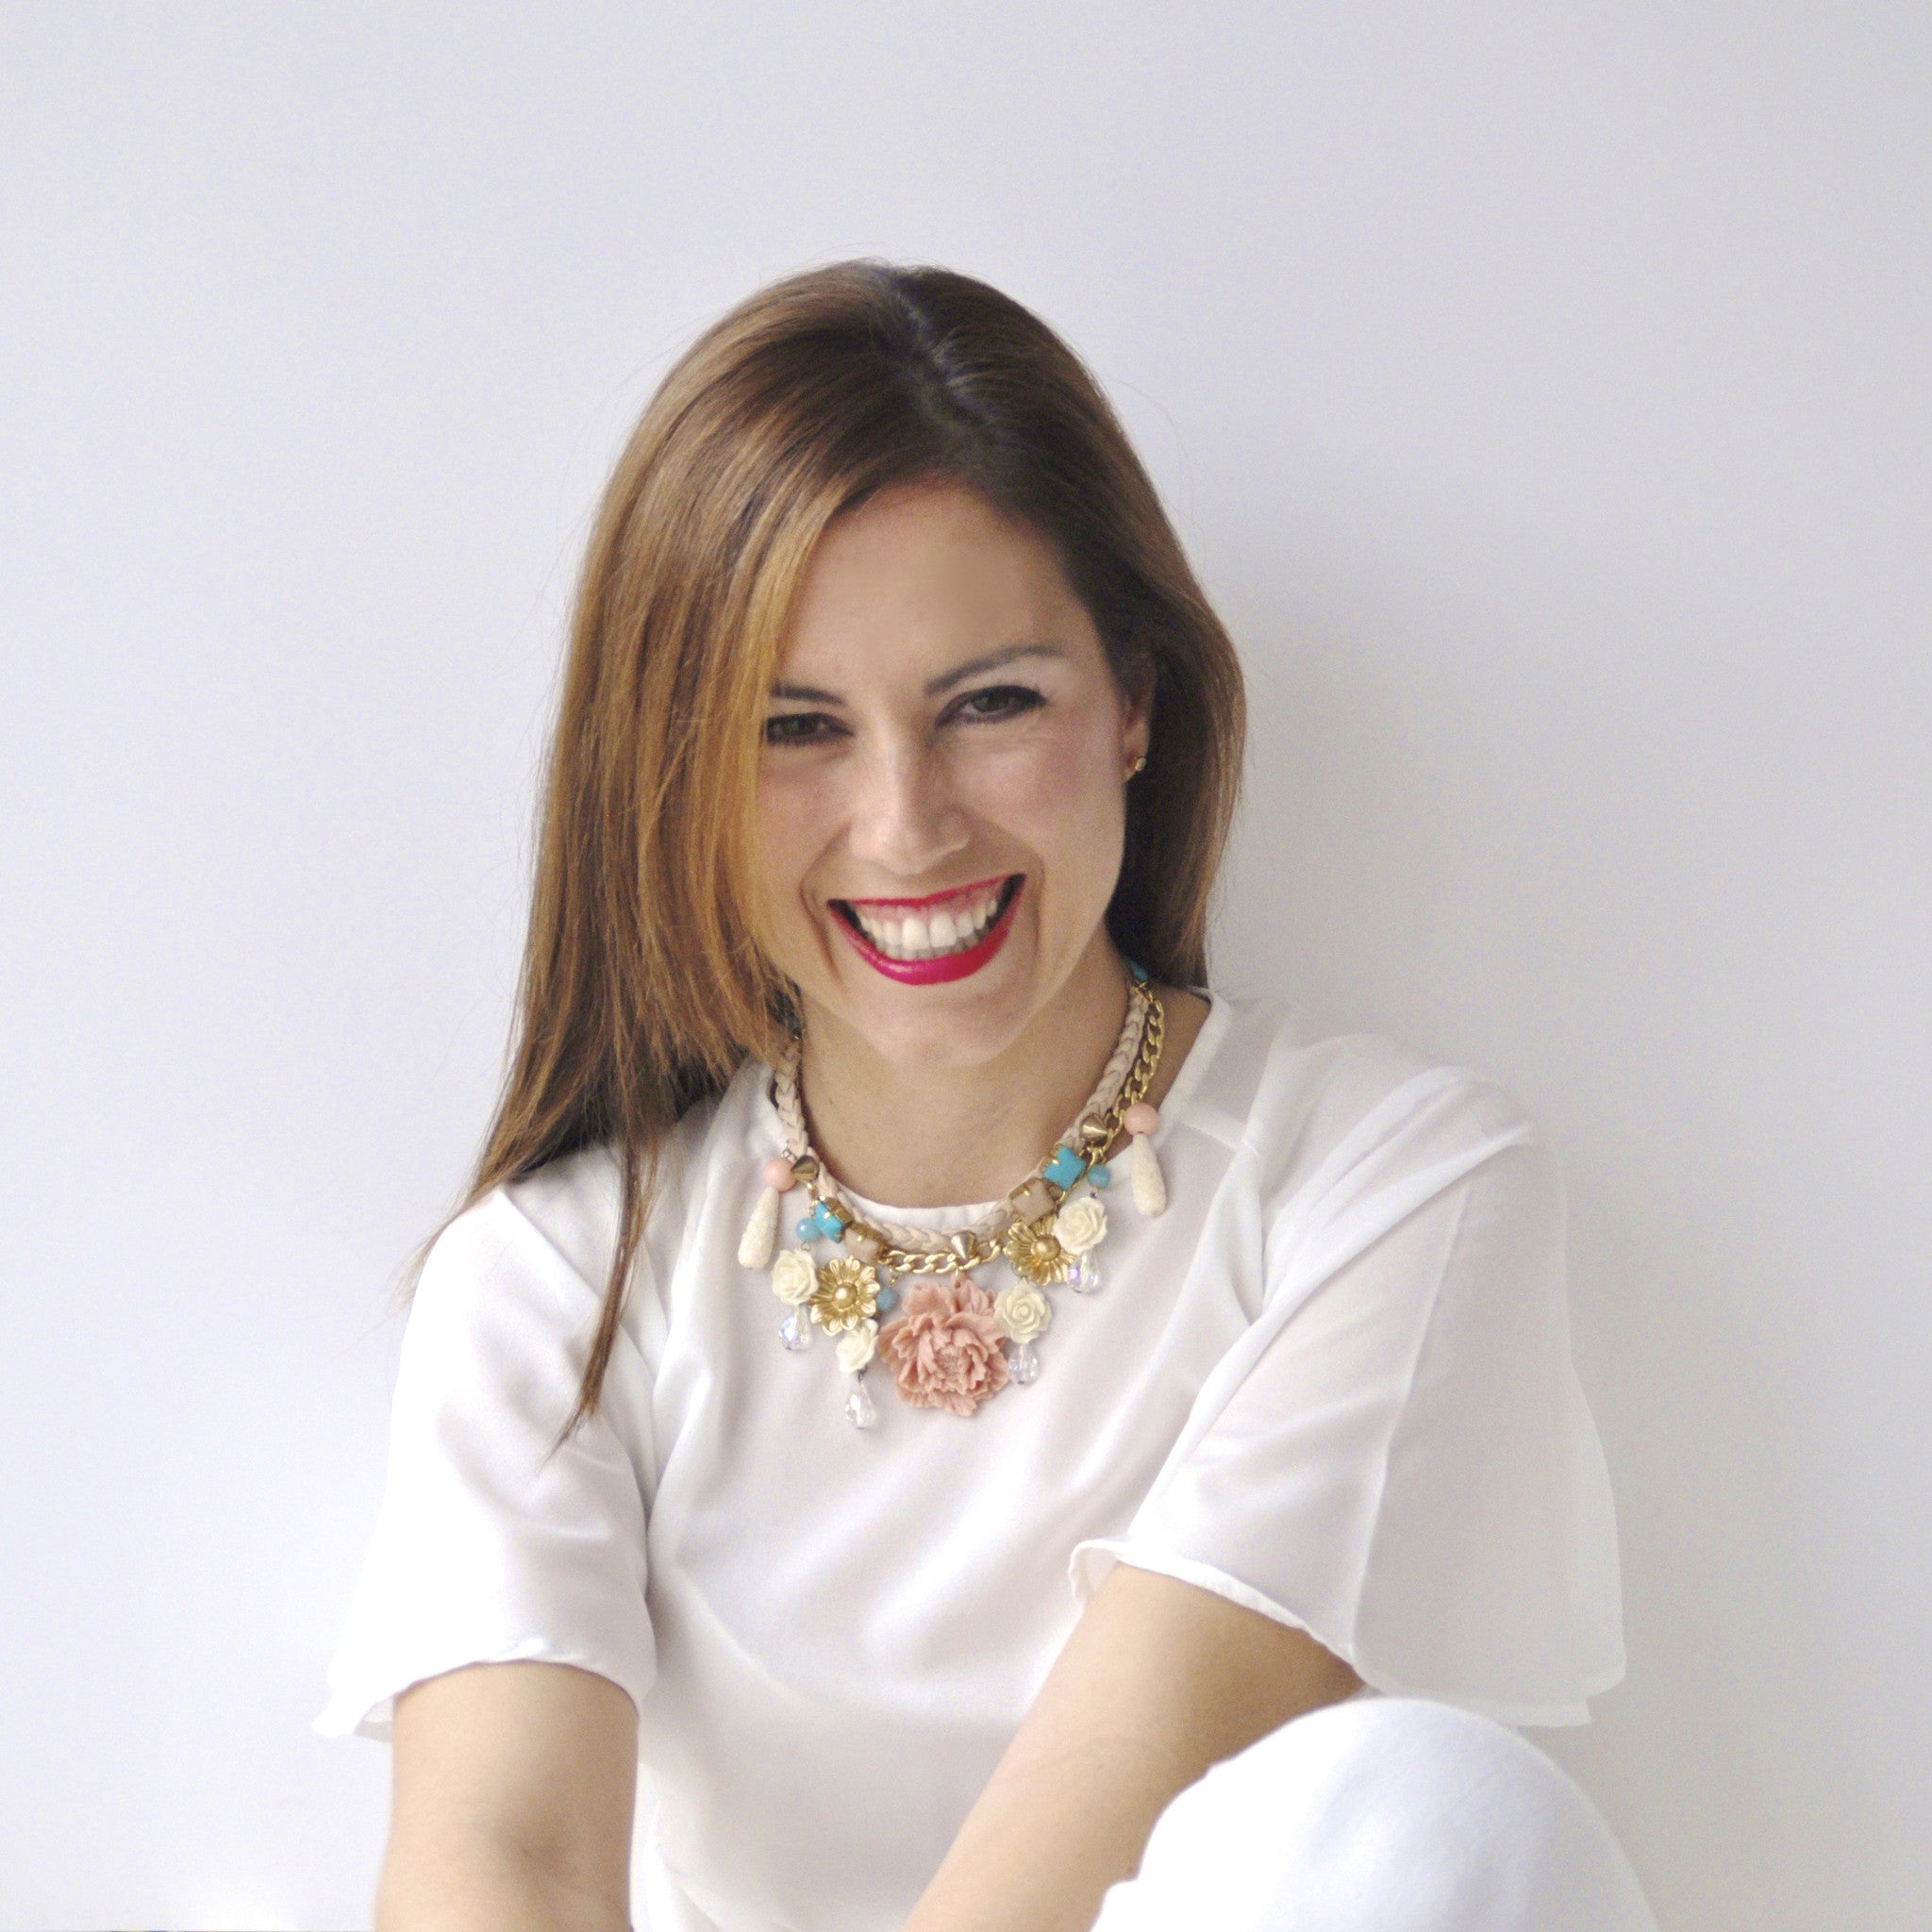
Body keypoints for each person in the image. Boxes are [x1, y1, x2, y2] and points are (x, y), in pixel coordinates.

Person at [318, 262, 1656, 1932]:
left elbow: (1135, 1770)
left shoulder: (1387, 1187)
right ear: (674, 771)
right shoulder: (555, 1278)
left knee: (1438, 1812)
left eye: (991, 704)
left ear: (1136, 703)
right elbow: (499, 1858)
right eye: (795, 728)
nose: (905, 826)